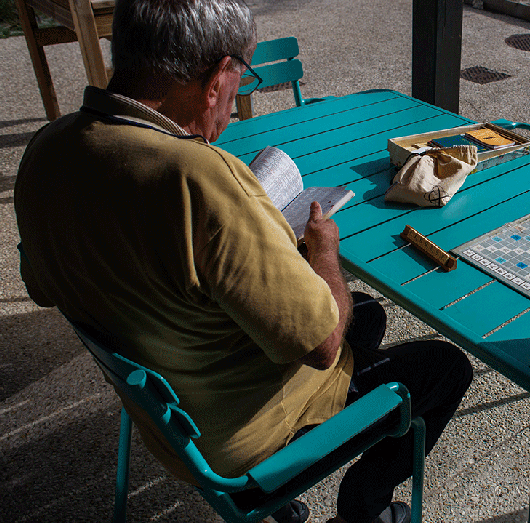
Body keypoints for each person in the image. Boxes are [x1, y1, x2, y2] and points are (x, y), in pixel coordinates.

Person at [14, 1, 472, 523]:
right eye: (242, 76)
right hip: (238, 446)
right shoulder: (199, 178)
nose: (235, 100)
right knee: (445, 366)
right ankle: (362, 508)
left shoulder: (49, 148)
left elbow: (41, 286)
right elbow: (322, 345)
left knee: (366, 314)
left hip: (167, 411)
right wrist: (322, 252)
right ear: (215, 79)